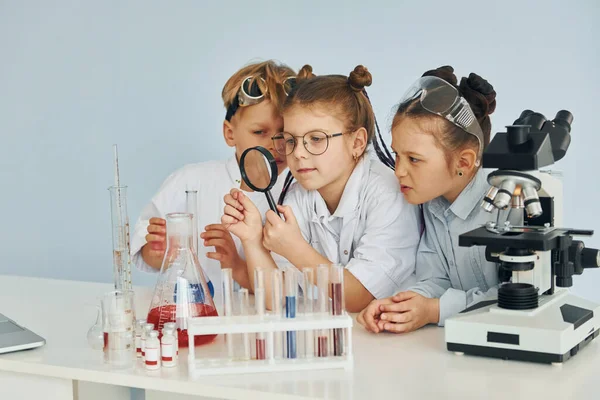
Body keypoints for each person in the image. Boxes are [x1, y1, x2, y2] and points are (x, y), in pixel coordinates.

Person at [221, 65, 421, 312]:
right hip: (341, 337)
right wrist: (251, 239)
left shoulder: (388, 193)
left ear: (357, 142)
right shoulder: (297, 196)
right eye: (291, 140)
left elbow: (358, 298)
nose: (299, 154)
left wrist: (295, 248)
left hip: (400, 340)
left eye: (316, 139)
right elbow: (277, 300)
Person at [358, 65, 510, 333]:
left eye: (414, 159)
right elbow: (435, 278)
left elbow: (520, 297)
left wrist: (435, 310)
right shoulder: (433, 203)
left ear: (464, 161)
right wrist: (402, 305)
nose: (399, 171)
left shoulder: (510, 202)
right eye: (397, 155)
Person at [130, 60, 297, 296]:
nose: (274, 144)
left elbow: (290, 290)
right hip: (197, 320)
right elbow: (146, 250)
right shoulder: (190, 180)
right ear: (230, 133)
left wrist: (236, 265)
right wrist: (160, 252)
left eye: (285, 135)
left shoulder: (299, 194)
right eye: (260, 132)